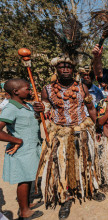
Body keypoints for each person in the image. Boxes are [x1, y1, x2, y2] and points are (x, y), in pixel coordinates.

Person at [33, 56, 105, 219]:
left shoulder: (82, 87)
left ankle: (91, 189)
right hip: (60, 133)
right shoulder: (47, 89)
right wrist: (39, 109)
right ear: (56, 69)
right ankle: (65, 198)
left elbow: (90, 108)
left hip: (81, 131)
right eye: (61, 67)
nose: (65, 69)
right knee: (62, 166)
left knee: (86, 162)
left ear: (73, 70)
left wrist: (97, 127)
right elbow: (44, 109)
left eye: (68, 67)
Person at [0, 79, 43, 220]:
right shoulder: (11, 109)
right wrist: (16, 140)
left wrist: (39, 113)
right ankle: (24, 211)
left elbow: (33, 121)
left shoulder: (26, 106)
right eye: (27, 89)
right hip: (22, 150)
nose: (30, 91)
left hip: (31, 148)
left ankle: (27, 204)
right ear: (16, 91)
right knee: (23, 180)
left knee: (29, 177)